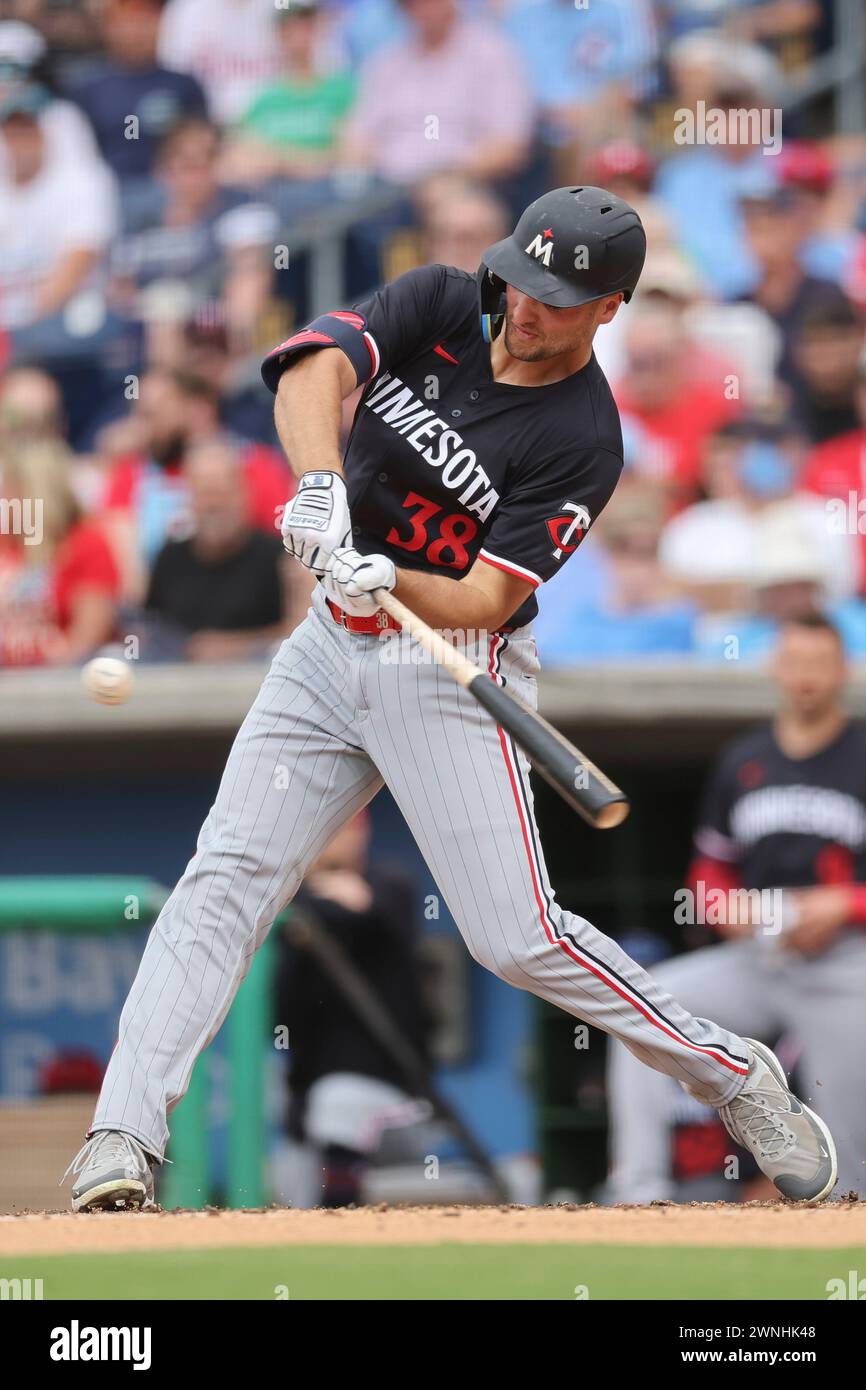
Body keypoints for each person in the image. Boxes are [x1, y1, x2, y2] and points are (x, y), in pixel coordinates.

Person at [64, 186, 837, 1212]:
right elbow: (313, 365)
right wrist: (316, 487)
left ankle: (731, 1075)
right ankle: (121, 1135)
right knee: (225, 878)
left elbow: (483, 591)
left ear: (609, 308)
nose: (526, 305)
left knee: (515, 938)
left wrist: (396, 578)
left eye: (558, 296)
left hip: (451, 662)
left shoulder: (583, 437)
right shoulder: (444, 300)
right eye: (524, 277)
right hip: (326, 651)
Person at [607, 614, 866, 1200]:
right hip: (761, 950)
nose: (806, 677)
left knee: (850, 1134)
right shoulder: (744, 760)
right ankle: (638, 1191)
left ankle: (844, 1219)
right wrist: (722, 908)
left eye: (820, 664)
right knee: (641, 1002)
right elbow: (710, 870)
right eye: (795, 662)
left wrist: (846, 904)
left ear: (842, 670)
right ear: (776, 667)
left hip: (848, 958)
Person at [274, 810, 431, 1208]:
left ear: (362, 830)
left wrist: (323, 898)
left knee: (338, 1101)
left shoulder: (392, 886)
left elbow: (373, 914)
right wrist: (311, 894)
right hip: (308, 1103)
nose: (328, 839)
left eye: (340, 828)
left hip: (398, 1098)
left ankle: (341, 1230)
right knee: (289, 1181)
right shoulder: (293, 902)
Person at [143, 440, 291, 662]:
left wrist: (236, 648)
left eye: (222, 492)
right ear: (189, 498)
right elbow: (150, 628)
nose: (214, 505)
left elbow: (295, 634)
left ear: (244, 493)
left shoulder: (278, 558)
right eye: (205, 493)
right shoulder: (169, 558)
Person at [0, 440, 120, 666]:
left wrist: (46, 688)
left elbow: (89, 635)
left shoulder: (87, 543)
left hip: (60, 683)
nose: (3, 500)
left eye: (9, 490)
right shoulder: (6, 542)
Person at [69, 0, 208, 187]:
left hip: (170, 187)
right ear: (109, 27)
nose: (136, 31)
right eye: (128, 22)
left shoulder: (183, 85)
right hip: (106, 188)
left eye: (145, 21)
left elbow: (200, 141)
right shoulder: (87, 87)